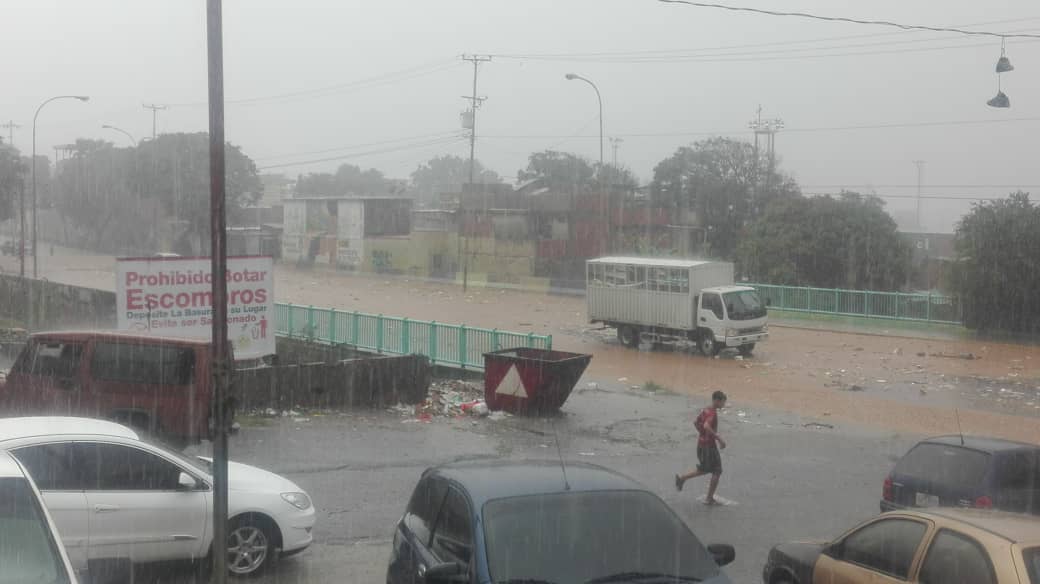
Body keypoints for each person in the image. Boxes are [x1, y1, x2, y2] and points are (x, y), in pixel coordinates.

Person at [675, 390, 727, 504]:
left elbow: (696, 423)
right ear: (717, 401)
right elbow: (706, 425)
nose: (724, 404)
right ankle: (709, 498)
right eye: (723, 402)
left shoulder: (706, 410)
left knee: (705, 469)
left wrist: (702, 434)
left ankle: (682, 478)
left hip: (702, 445)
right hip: (709, 447)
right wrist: (719, 439)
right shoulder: (712, 413)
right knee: (717, 470)